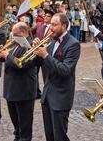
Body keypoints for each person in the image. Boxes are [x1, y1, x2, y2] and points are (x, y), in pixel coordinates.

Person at [33, 13, 81, 141]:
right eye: (50, 25)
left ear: (64, 26)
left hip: (61, 97)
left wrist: (45, 56)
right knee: (50, 135)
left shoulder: (73, 44)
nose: (51, 28)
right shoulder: (51, 40)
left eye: (54, 25)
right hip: (48, 95)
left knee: (59, 136)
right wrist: (36, 51)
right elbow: (39, 64)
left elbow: (65, 70)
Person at [0, 22, 37, 141]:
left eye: (14, 34)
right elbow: (12, 60)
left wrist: (7, 55)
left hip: (24, 91)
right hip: (12, 90)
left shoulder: (30, 45)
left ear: (24, 33)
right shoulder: (16, 44)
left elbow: (22, 64)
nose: (12, 37)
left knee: (24, 125)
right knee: (16, 124)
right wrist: (2, 55)